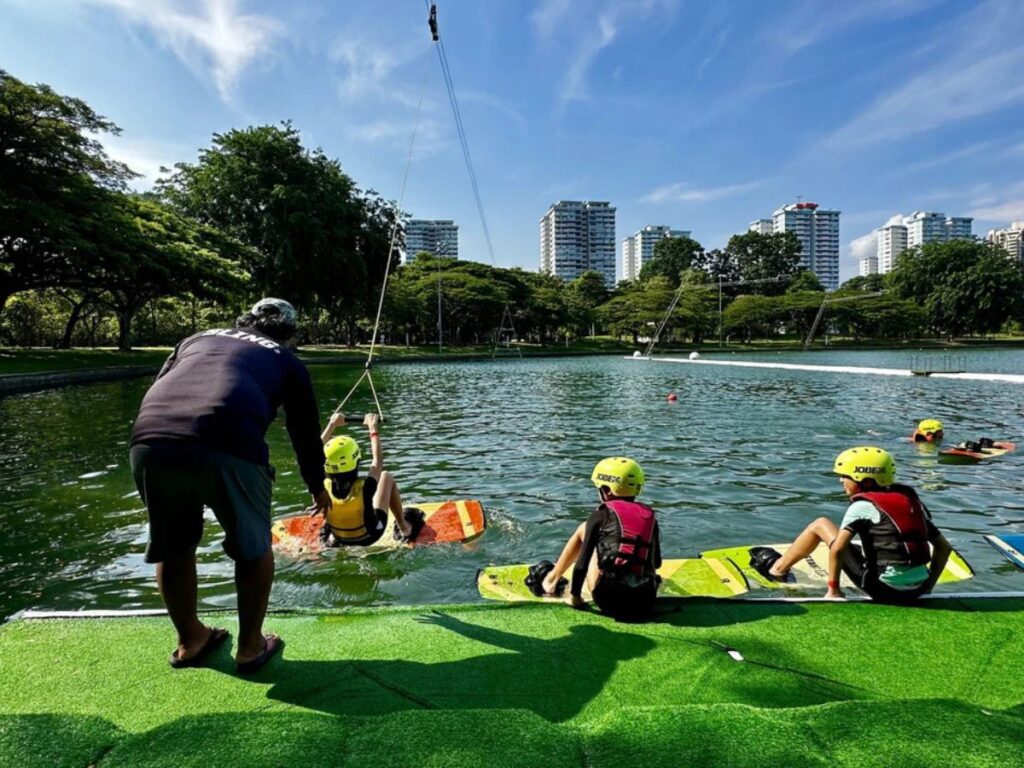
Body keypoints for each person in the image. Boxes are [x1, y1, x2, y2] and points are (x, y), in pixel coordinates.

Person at [130, 298, 331, 673]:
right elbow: (303, 431)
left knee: (174, 545)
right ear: (288, 335)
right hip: (229, 440)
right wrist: (317, 485)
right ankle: (251, 646)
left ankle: (192, 639)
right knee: (253, 547)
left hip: (150, 439)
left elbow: (161, 386)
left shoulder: (195, 338)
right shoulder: (287, 360)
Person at [749, 446, 952, 602]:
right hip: (918, 590)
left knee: (820, 524)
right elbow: (944, 547)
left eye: (845, 476)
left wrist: (833, 591)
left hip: (882, 590)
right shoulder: (909, 501)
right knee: (856, 546)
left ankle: (777, 569)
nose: (841, 481)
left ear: (866, 481)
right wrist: (928, 588)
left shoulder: (862, 505)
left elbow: (837, 548)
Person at [528, 457, 662, 621]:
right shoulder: (649, 517)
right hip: (645, 600)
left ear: (606, 490)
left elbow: (581, 566)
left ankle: (550, 581)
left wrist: (574, 597)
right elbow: (656, 563)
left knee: (584, 530)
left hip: (608, 601)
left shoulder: (599, 516)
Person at [314, 411, 424, 546]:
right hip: (370, 535)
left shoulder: (319, 484)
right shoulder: (366, 486)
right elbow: (377, 460)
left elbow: (311, 456)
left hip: (340, 537)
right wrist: (372, 428)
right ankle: (404, 528)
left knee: (320, 495)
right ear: (356, 460)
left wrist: (332, 425)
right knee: (386, 476)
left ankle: (333, 531)